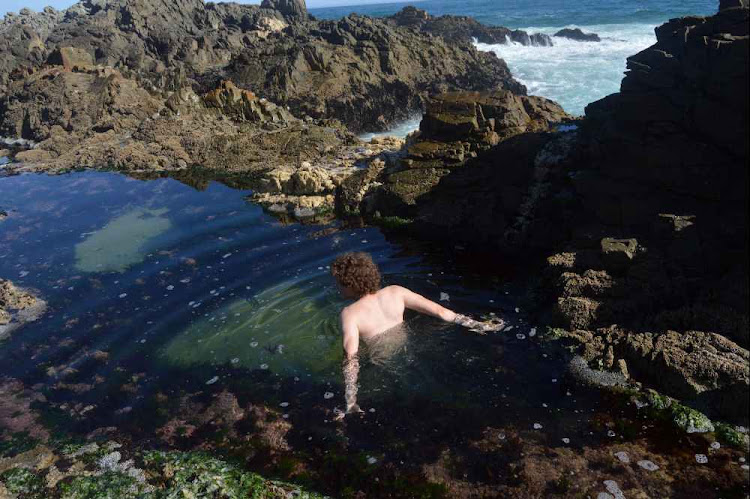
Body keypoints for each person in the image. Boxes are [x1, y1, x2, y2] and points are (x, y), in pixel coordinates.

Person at [330, 252, 504, 419]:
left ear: (350, 284)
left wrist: (350, 399)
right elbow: (441, 312)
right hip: (415, 347)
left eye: (338, 283)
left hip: (384, 362)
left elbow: (351, 356)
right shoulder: (395, 292)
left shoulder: (350, 314)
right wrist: (479, 325)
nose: (337, 287)